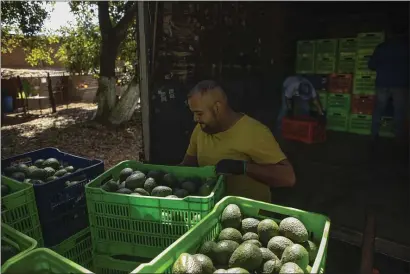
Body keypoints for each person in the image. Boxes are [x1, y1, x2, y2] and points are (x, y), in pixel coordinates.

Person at [181, 80, 296, 203]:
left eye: (199, 113)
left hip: (249, 216)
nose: (195, 119)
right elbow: (187, 166)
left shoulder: (254, 132)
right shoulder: (200, 129)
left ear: (217, 108)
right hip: (211, 210)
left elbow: (288, 178)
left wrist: (244, 168)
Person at [368, 26, 409, 144]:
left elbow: (371, 65)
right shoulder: (406, 47)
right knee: (399, 110)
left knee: (379, 108)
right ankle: (398, 136)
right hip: (400, 83)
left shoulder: (382, 47)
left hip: (383, 83)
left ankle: (374, 134)